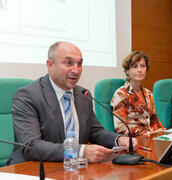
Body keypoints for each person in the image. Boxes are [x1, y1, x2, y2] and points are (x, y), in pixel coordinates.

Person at [8, 42, 137, 165]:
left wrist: (118, 140)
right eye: (68, 63)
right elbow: (31, 146)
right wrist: (80, 151)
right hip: (33, 168)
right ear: (50, 65)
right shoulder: (27, 96)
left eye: (79, 63)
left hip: (74, 168)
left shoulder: (83, 94)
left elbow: (95, 132)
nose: (76, 70)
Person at [111, 51, 163, 137]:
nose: (140, 70)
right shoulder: (121, 94)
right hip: (135, 142)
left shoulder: (148, 94)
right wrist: (147, 134)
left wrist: (163, 134)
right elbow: (120, 127)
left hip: (152, 139)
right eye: (135, 66)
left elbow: (155, 121)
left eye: (143, 66)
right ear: (127, 71)